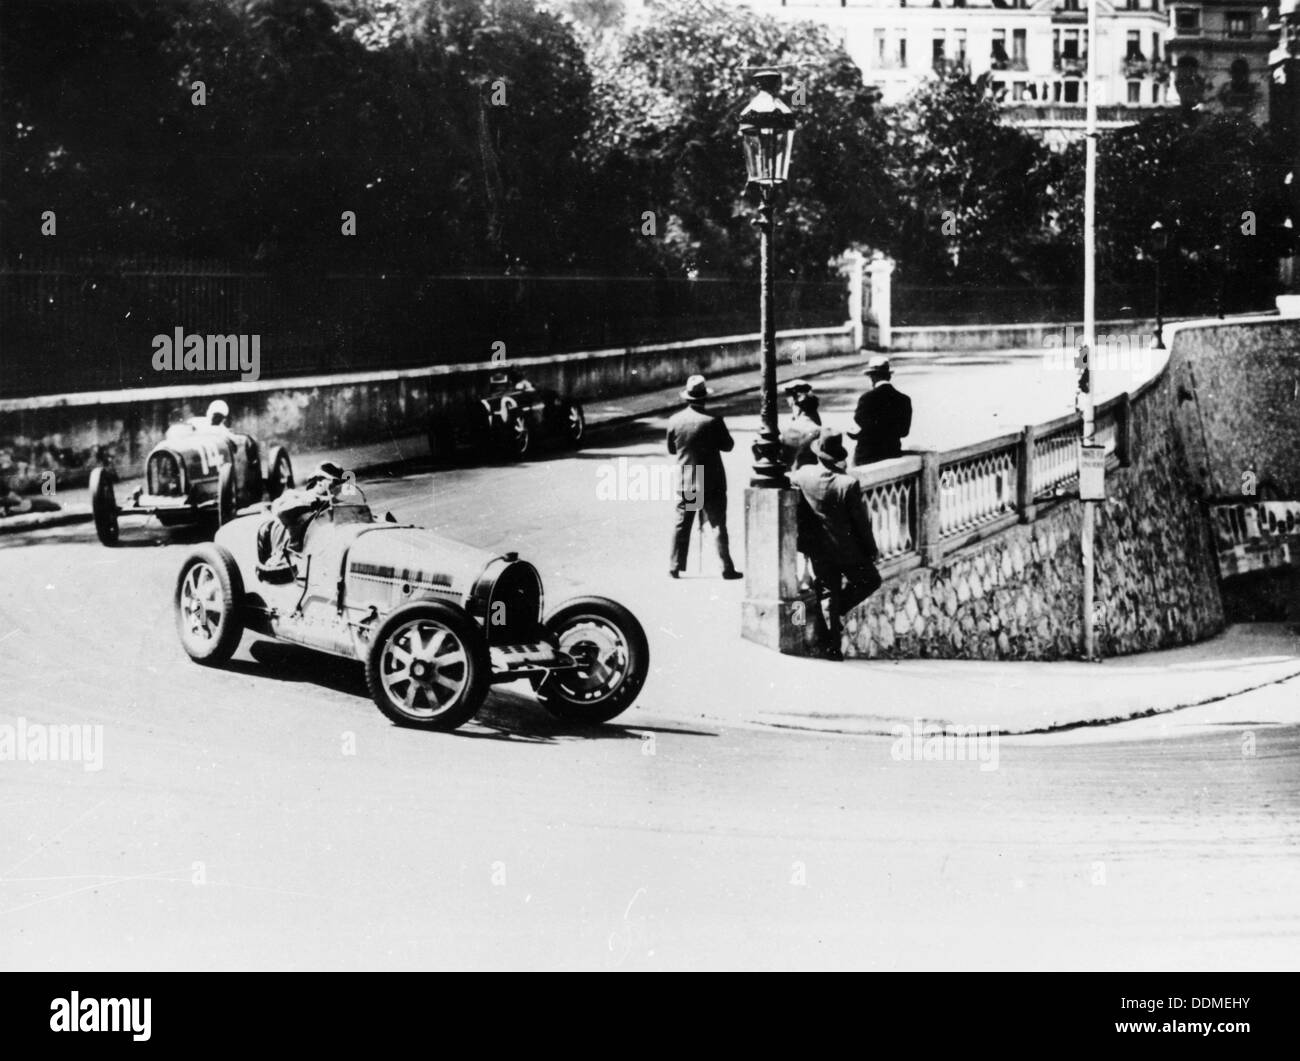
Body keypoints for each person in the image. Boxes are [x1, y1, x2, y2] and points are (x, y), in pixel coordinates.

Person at [790, 429, 882, 660]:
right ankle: (837, 614)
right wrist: (871, 550)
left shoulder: (803, 475)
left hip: (819, 548)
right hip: (848, 550)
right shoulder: (847, 483)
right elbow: (861, 524)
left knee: (828, 592)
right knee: (869, 581)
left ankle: (682, 561)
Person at [666, 374, 742, 580]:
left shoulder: (675, 421)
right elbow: (728, 445)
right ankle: (726, 567)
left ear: (687, 398)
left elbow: (672, 449)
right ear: (704, 398)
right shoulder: (714, 421)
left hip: (689, 480)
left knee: (683, 523)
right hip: (712, 481)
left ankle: (674, 566)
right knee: (717, 524)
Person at [256, 461, 349, 580]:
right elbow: (280, 511)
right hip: (294, 556)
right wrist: (312, 502)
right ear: (320, 481)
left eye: (341, 483)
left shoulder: (336, 503)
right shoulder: (295, 496)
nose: (339, 487)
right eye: (335, 482)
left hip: (326, 553)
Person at [850, 354, 912, 466]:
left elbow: (861, 422)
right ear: (889, 376)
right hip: (892, 454)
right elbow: (904, 432)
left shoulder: (867, 398)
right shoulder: (904, 399)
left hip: (867, 456)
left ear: (872, 377)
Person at [779, 379, 822, 470]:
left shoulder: (789, 428)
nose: (786, 399)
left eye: (787, 395)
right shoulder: (813, 416)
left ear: (793, 398)